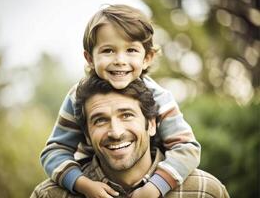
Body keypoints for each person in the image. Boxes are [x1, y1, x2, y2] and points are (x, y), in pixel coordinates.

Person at [40, 4, 201, 198]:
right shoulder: (77, 97)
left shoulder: (159, 97)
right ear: (90, 59)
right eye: (108, 51)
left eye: (131, 50)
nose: (120, 60)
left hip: (152, 178)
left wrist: (154, 187)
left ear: (147, 58)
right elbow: (54, 152)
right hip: (96, 177)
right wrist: (83, 185)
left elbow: (187, 149)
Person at [32, 75, 229, 198]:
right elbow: (53, 151)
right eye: (100, 120)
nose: (116, 132)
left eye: (127, 115)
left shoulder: (205, 191)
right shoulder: (49, 195)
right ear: (86, 134)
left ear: (151, 124)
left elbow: (189, 148)